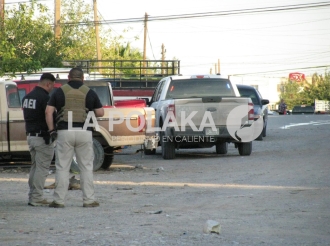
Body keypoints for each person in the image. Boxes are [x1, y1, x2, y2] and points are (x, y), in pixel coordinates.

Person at [45, 67, 104, 208]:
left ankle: (59, 201)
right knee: (86, 167)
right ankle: (89, 200)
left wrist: (52, 130)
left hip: (65, 132)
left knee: (62, 167)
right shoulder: (89, 92)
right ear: (83, 79)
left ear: (68, 77)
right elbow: (100, 112)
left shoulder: (59, 91)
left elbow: (48, 112)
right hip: (84, 132)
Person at [22, 73, 56, 206]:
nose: (52, 88)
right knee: (42, 168)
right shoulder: (45, 98)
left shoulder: (27, 97)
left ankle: (32, 195)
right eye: (52, 86)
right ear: (48, 84)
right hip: (42, 137)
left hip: (31, 136)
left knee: (35, 167)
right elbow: (50, 115)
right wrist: (53, 131)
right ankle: (36, 197)